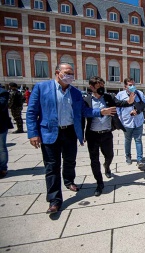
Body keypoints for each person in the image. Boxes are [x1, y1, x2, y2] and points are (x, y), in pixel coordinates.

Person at [26, 63, 116, 214]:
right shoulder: (42, 88)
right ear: (57, 72)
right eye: (67, 73)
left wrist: (101, 112)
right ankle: (55, 200)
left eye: (72, 74)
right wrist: (33, 133)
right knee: (52, 167)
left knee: (69, 161)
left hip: (69, 133)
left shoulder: (75, 92)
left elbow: (84, 111)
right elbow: (31, 112)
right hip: (50, 133)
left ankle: (68, 181)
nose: (70, 76)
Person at [83, 76, 133, 196]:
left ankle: (107, 166)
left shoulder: (108, 97)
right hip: (92, 135)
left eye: (102, 86)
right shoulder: (86, 100)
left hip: (106, 134)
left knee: (109, 155)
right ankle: (99, 183)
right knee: (94, 160)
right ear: (91, 87)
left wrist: (128, 102)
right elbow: (83, 113)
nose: (101, 89)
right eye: (98, 86)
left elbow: (119, 103)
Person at [116, 78, 145, 169]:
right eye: (130, 85)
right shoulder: (120, 95)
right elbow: (118, 108)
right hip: (127, 123)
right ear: (125, 86)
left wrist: (137, 111)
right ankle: (128, 156)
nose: (132, 86)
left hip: (138, 121)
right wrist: (119, 120)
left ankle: (139, 159)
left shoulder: (140, 93)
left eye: (133, 84)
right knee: (128, 140)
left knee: (138, 140)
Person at [0, 85, 13, 179]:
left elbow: (1, 104)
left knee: (1, 148)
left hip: (0, 125)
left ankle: (2, 168)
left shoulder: (2, 92)